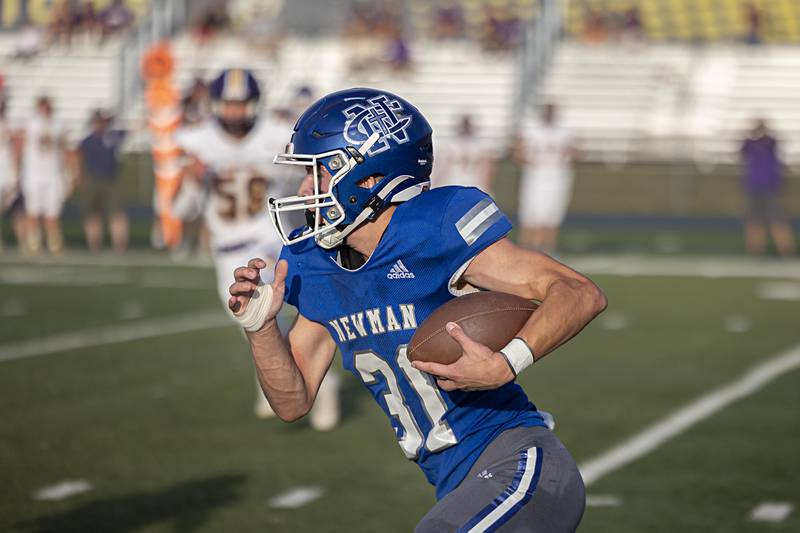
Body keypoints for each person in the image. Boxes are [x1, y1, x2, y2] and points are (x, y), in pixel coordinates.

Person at [229, 88, 606, 531]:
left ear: (368, 178)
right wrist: (261, 329)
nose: (303, 189)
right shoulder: (313, 265)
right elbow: (292, 402)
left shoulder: (434, 227)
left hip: (519, 465)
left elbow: (578, 291)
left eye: (319, 173)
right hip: (461, 485)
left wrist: (509, 362)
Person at [172, 69, 340, 429]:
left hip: (272, 239)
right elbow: (180, 209)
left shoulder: (277, 135)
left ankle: (320, 386)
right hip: (226, 248)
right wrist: (191, 179)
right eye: (229, 104)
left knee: (287, 315)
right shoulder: (194, 140)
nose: (234, 112)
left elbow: (309, 181)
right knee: (252, 323)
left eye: (241, 104)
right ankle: (277, 383)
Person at [515, 103, 577, 253]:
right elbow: (518, 151)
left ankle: (547, 250)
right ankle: (526, 249)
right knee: (531, 215)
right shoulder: (531, 129)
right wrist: (533, 163)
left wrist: (561, 161)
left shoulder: (564, 131)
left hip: (557, 176)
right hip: (536, 176)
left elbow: (575, 151)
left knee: (552, 216)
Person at [20, 96, 72, 255]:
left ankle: (54, 244)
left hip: (53, 174)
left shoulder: (58, 124)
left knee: (52, 213)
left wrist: (68, 172)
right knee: (33, 211)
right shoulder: (30, 123)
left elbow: (64, 147)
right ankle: (33, 244)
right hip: (34, 174)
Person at [740, 119, 795, 257]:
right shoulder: (750, 144)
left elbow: (772, 143)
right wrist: (752, 133)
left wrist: (762, 131)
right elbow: (743, 150)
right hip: (754, 188)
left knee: (777, 221)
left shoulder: (771, 143)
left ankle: (787, 252)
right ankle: (755, 253)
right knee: (754, 222)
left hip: (770, 188)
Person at [76, 110, 128, 253]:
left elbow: (131, 130)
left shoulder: (113, 137)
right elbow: (79, 159)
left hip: (111, 180)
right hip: (92, 180)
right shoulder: (88, 141)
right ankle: (94, 247)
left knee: (117, 214)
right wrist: (80, 177)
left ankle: (120, 248)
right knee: (92, 215)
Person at [433, 115, 495, 191]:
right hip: (454, 182)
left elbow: (486, 168)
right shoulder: (451, 145)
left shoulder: (480, 146)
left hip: (472, 182)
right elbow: (444, 167)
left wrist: (485, 186)